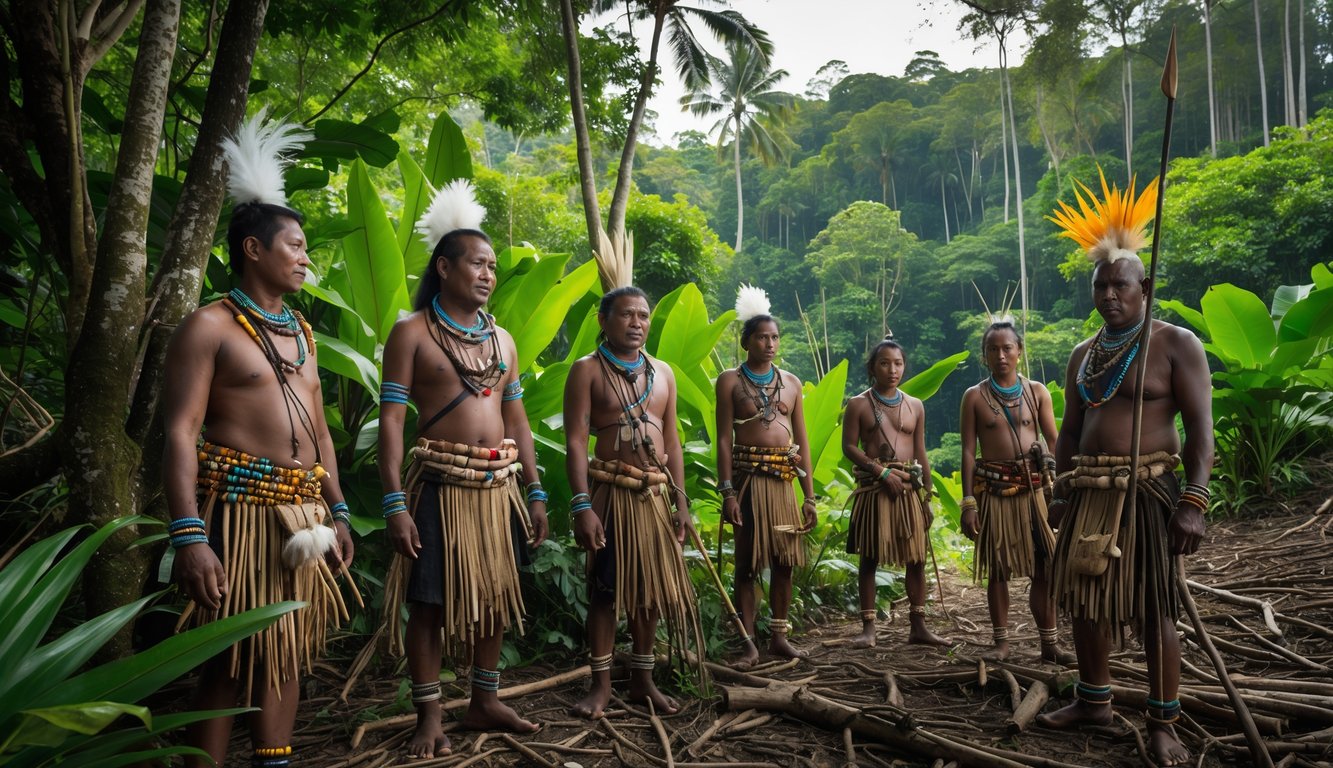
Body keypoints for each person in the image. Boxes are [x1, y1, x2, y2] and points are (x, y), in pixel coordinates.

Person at [164, 113, 356, 768]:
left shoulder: (302, 333)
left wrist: (338, 509)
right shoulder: (208, 328)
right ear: (254, 249)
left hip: (303, 513)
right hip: (236, 516)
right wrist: (190, 536)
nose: (306, 257)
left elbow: (320, 429)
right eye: (295, 245)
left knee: (288, 649)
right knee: (225, 656)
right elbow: (180, 432)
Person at [1036, 173, 1212, 768]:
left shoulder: (1175, 344)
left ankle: (1164, 722)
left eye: (1121, 285)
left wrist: (1193, 500)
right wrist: (1060, 494)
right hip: (1088, 491)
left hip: (1149, 489)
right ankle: (1094, 701)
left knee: (1155, 604)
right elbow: (1069, 430)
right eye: (1101, 286)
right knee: (1085, 597)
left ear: (1146, 287)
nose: (1109, 295)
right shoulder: (1083, 355)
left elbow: (1200, 434)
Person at [379, 180, 548, 758]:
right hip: (438, 485)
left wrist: (535, 489)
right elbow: (394, 423)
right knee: (428, 602)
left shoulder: (502, 339)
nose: (487, 274)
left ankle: (484, 698)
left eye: (493, 267)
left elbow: (517, 420)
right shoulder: (411, 332)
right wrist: (395, 504)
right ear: (444, 267)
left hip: (497, 486)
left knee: (495, 595)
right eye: (477, 264)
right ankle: (429, 713)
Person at [564, 286, 705, 719]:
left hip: (655, 498)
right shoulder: (586, 371)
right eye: (626, 315)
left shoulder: (663, 372)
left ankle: (643, 681)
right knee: (605, 593)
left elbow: (674, 443)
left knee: (650, 592)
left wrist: (682, 505)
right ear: (604, 321)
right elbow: (574, 440)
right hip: (612, 495)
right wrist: (582, 505)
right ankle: (601, 685)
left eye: (643, 315)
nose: (637, 323)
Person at [715, 288, 817, 669]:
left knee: (784, 560)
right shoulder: (728, 381)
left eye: (774, 337)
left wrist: (809, 497)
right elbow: (724, 440)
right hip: (747, 482)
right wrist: (727, 492)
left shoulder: (791, 383)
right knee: (747, 563)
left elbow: (802, 442)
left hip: (783, 482)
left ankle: (779, 637)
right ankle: (748, 643)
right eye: (761, 337)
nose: (769, 343)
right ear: (746, 342)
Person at [960, 319, 1069, 662]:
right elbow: (967, 450)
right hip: (995, 493)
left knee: (1045, 566)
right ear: (985, 356)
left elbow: (1054, 438)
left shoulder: (1037, 392)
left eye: (1007, 348)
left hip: (1035, 491)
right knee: (999, 569)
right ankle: (1001, 643)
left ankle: (1049, 644)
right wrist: (967, 502)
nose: (1001, 355)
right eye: (993, 349)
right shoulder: (974, 397)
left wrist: (1061, 482)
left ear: (1019, 351)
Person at [841, 337, 951, 649]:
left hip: (908, 488)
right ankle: (868, 629)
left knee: (916, 557)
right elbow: (848, 446)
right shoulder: (859, 404)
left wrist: (926, 496)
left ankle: (918, 626)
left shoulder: (915, 405)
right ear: (872, 368)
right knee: (869, 557)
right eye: (885, 363)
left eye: (898, 363)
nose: (893, 369)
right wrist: (880, 471)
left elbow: (921, 451)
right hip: (875, 489)